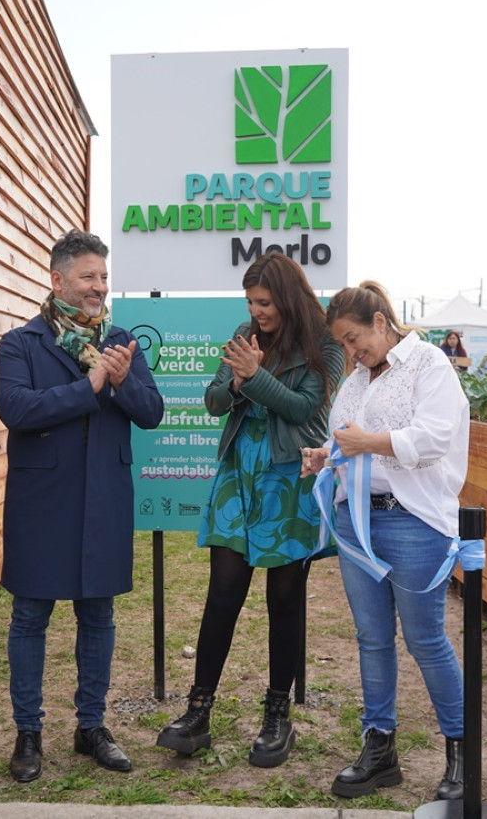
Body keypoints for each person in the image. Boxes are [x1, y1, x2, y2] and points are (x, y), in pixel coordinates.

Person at [155, 252, 344, 768]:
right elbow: (214, 400)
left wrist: (255, 377)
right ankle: (197, 711)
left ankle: (278, 715)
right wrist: (237, 382)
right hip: (239, 473)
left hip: (291, 477)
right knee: (223, 593)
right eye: (250, 302)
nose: (255, 312)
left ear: (286, 297)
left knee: (284, 599)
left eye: (263, 303)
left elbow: (308, 410)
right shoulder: (246, 333)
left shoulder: (324, 344)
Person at [0, 229, 164, 782]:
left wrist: (118, 382)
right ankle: (28, 733)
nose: (98, 287)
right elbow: (17, 409)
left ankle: (91, 727)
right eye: (88, 276)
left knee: (99, 615)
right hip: (43, 502)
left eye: (104, 277)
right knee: (29, 617)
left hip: (103, 500)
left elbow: (152, 411)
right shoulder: (20, 343)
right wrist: (90, 385)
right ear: (58, 279)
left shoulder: (118, 340)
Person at [301, 282, 469, 803]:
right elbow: (349, 439)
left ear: (379, 321)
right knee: (371, 638)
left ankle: (463, 753)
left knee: (425, 640)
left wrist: (364, 443)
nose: (352, 352)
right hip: (358, 521)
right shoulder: (356, 379)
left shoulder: (428, 364)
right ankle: (380, 749)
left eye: (354, 338)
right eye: (344, 345)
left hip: (415, 522)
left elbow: (434, 439)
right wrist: (326, 454)